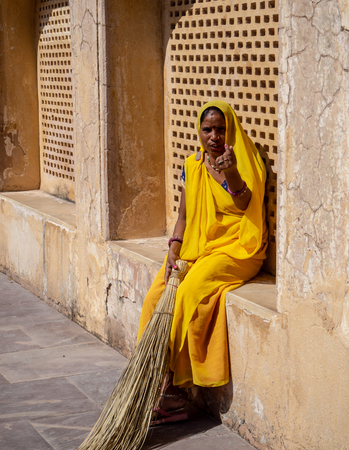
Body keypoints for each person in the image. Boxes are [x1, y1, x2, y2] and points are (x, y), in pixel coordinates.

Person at [137, 100, 268, 423]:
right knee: (157, 293)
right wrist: (174, 247)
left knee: (190, 293)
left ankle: (177, 392)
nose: (214, 136)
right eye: (207, 129)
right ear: (199, 130)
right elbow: (183, 215)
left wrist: (231, 170)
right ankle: (150, 378)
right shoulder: (192, 165)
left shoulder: (242, 160)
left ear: (230, 130)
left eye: (221, 129)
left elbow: (245, 203)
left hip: (237, 250)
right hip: (198, 247)